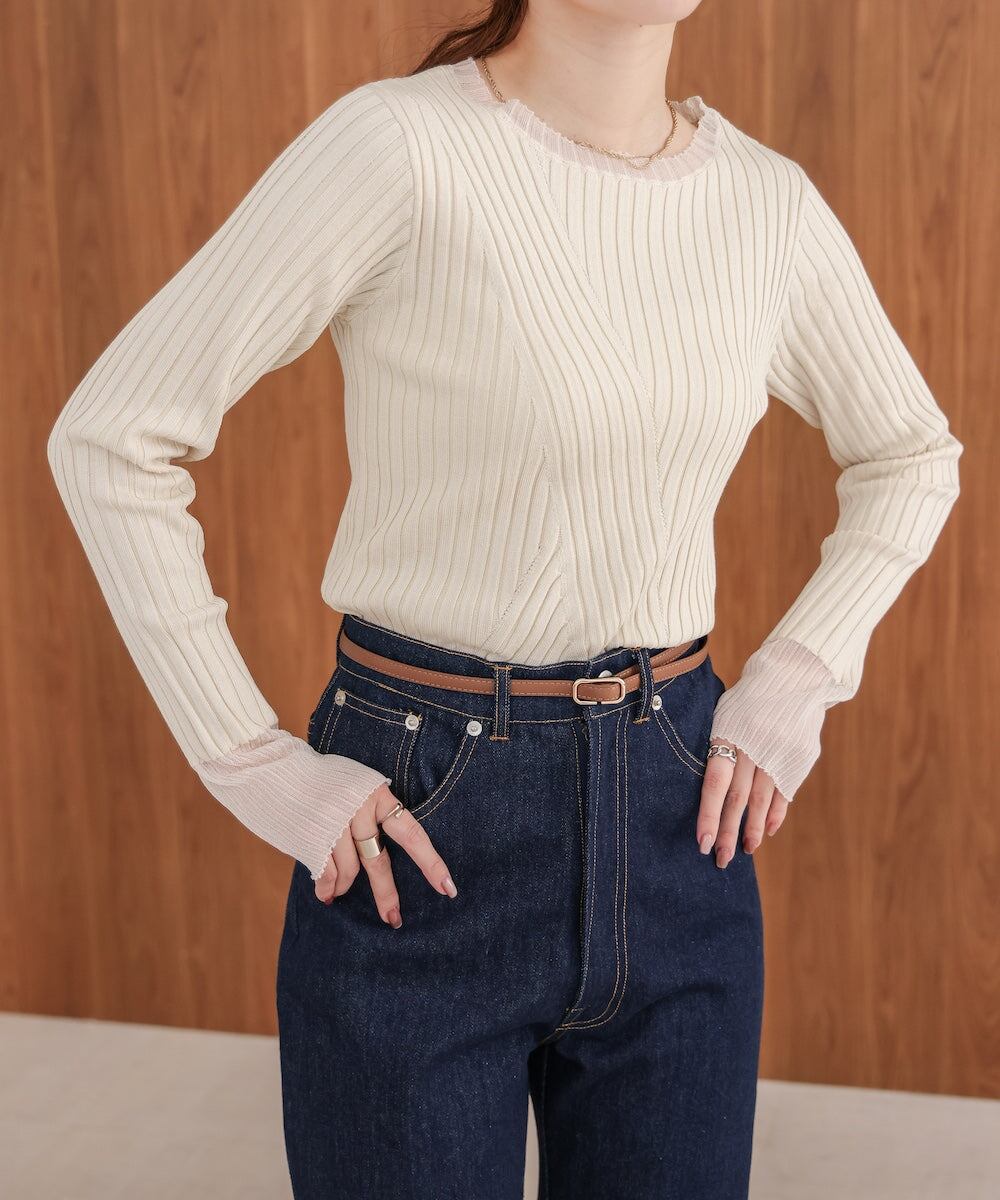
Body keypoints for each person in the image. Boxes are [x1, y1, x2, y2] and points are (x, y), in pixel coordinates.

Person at [45, 2, 963, 1197]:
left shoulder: (766, 204)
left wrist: (795, 679)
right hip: (427, 817)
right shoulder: (397, 148)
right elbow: (113, 437)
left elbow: (909, 454)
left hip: (678, 813)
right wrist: (249, 760)